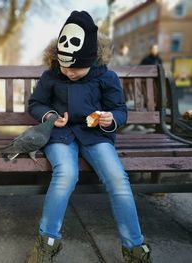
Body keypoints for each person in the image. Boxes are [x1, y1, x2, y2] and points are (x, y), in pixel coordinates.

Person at [27, 11, 152, 263]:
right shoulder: (51, 75)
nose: (70, 72)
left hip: (95, 135)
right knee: (66, 174)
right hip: (61, 135)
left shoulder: (106, 77)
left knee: (117, 178)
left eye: (77, 68)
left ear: (92, 59)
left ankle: (134, 248)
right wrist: (50, 115)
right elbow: (36, 103)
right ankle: (47, 241)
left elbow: (119, 110)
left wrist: (110, 119)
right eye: (65, 66)